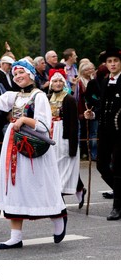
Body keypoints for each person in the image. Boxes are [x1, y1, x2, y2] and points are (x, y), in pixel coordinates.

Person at [0, 59, 67, 249]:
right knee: (15, 187)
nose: (18, 77)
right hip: (15, 145)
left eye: (21, 72)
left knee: (40, 184)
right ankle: (15, 236)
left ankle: (58, 217)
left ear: (30, 74)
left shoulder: (39, 97)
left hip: (34, 147)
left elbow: (44, 125)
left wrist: (24, 120)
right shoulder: (14, 96)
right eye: (15, 74)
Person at [84, 47, 121, 220]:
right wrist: (92, 114)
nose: (112, 64)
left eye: (115, 61)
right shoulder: (106, 81)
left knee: (119, 168)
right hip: (105, 131)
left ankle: (117, 207)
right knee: (101, 165)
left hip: (120, 131)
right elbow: (102, 105)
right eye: (109, 61)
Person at [48, 69, 86, 208]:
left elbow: (73, 124)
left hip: (63, 135)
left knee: (64, 167)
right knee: (55, 167)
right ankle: (79, 188)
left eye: (60, 81)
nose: (57, 84)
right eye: (55, 81)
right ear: (51, 83)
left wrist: (72, 145)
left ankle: (59, 198)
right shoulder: (47, 98)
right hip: (51, 134)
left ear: (64, 83)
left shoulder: (69, 99)